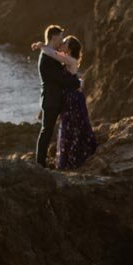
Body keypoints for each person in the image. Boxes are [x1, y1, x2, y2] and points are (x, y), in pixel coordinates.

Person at [54, 35, 98, 170]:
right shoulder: (67, 60)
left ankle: (72, 159)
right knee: (68, 125)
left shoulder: (70, 60)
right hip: (70, 97)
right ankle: (69, 158)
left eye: (65, 42)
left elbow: (52, 53)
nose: (63, 42)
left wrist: (42, 45)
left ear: (71, 48)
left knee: (72, 126)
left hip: (73, 98)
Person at [32, 23, 70, 166]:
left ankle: (46, 160)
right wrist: (76, 83)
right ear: (53, 37)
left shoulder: (51, 54)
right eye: (60, 37)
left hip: (54, 98)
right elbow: (59, 78)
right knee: (46, 131)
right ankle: (40, 163)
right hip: (51, 99)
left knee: (50, 131)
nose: (62, 40)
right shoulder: (47, 57)